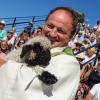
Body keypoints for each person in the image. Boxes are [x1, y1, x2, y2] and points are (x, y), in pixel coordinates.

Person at [0, 6, 80, 100]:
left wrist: (4, 64)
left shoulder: (69, 64)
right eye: (50, 26)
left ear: (71, 36)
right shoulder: (35, 45)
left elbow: (31, 89)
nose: (52, 33)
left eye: (61, 31)